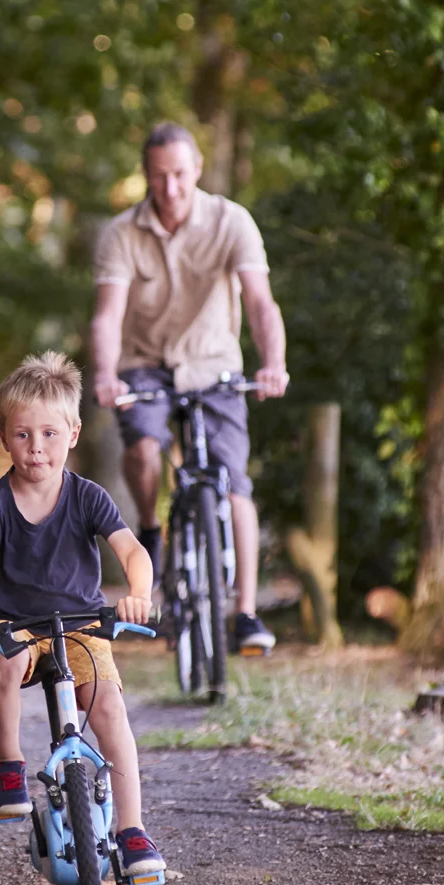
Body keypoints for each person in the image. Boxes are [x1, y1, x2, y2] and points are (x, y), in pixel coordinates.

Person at [0, 351, 166, 880]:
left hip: (81, 625)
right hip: (15, 626)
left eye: (49, 434)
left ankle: (132, 830)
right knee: (2, 663)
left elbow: (132, 551)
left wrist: (138, 593)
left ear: (72, 434)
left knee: (108, 708)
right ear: (3, 437)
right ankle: (8, 765)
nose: (36, 447)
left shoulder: (88, 497)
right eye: (23, 435)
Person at [90, 121, 290, 655]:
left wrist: (274, 363)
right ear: (145, 175)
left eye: (179, 174)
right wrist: (106, 374)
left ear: (197, 169)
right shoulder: (121, 233)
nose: (171, 187)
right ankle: (150, 528)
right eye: (159, 176)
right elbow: (107, 317)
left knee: (234, 483)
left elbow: (260, 303)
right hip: (144, 365)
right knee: (142, 447)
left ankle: (245, 614)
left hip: (213, 365)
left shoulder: (231, 221)